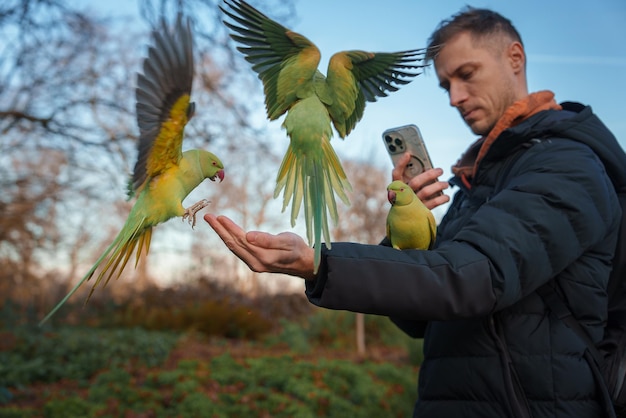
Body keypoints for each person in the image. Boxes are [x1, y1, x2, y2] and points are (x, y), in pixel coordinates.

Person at [205, 7, 626, 418]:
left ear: (514, 58)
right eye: (445, 86)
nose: (455, 98)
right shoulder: (477, 182)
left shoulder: (567, 165)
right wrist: (406, 227)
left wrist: (323, 264)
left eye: (466, 74)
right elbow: (420, 318)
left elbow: (473, 278)